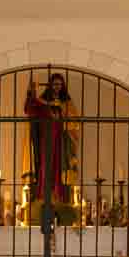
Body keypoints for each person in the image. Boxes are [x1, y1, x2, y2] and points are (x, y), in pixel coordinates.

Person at [23, 73, 79, 203]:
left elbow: (74, 121)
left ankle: (58, 196)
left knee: (60, 166)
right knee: (45, 165)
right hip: (46, 140)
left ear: (63, 86)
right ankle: (44, 196)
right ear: (50, 85)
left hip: (61, 141)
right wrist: (31, 92)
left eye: (59, 84)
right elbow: (30, 109)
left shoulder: (67, 103)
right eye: (54, 84)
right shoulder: (43, 102)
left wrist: (62, 112)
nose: (57, 87)